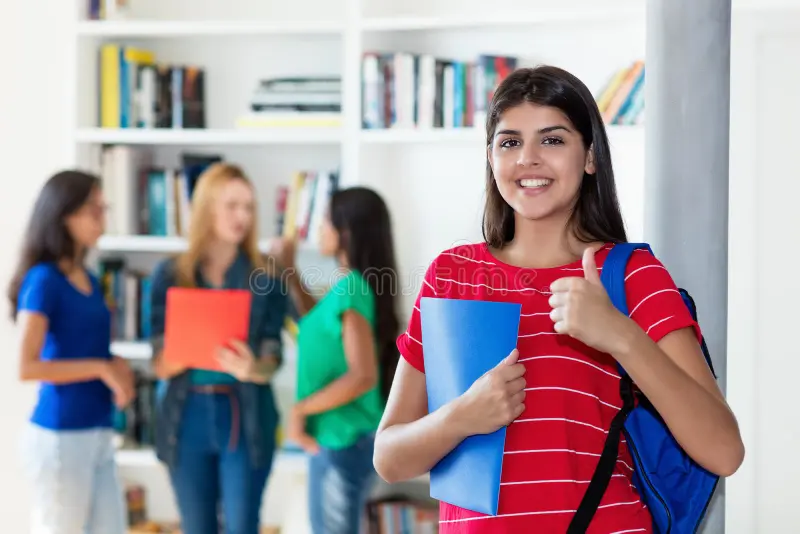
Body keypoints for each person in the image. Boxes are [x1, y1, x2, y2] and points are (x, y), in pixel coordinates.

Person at [372, 66, 745, 533]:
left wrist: (621, 337)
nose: (528, 158)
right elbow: (389, 458)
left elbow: (724, 451)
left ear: (589, 157)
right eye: (510, 142)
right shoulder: (451, 276)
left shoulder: (632, 276)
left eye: (552, 140)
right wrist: (461, 417)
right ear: (491, 158)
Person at [148, 163, 287, 534]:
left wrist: (252, 368)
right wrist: (180, 353)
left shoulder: (267, 277)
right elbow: (158, 363)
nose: (243, 216)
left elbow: (273, 358)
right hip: (185, 416)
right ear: (207, 208)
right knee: (197, 527)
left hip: (245, 416)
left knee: (242, 525)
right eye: (232, 205)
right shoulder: (170, 275)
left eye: (249, 207)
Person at [8, 170, 135, 534]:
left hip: (98, 430)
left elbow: (88, 348)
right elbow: (26, 367)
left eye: (104, 208)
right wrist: (100, 369)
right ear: (65, 215)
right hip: (61, 435)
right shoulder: (43, 281)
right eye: (94, 209)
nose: (102, 219)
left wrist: (116, 369)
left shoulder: (90, 279)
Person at [273, 187, 401, 534]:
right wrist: (290, 270)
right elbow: (317, 324)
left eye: (326, 220)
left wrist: (300, 410)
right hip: (342, 439)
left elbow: (362, 376)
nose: (319, 229)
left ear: (347, 231)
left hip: (342, 440)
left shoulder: (352, 289)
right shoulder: (351, 287)